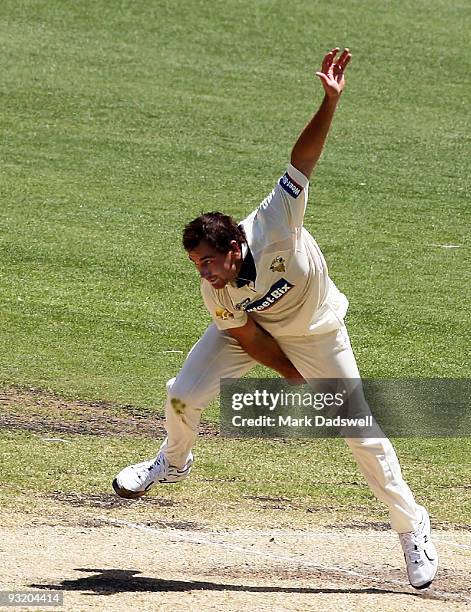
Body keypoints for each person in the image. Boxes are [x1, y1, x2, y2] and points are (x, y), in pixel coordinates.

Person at [113, 48, 438, 589]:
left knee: (360, 432)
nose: (205, 271)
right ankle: (171, 461)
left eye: (210, 260)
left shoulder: (273, 222)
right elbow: (245, 335)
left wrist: (329, 102)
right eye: (196, 264)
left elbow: (302, 161)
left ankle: (412, 527)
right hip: (260, 336)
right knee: (181, 392)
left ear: (235, 246)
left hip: (318, 332)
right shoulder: (214, 291)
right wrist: (291, 377)